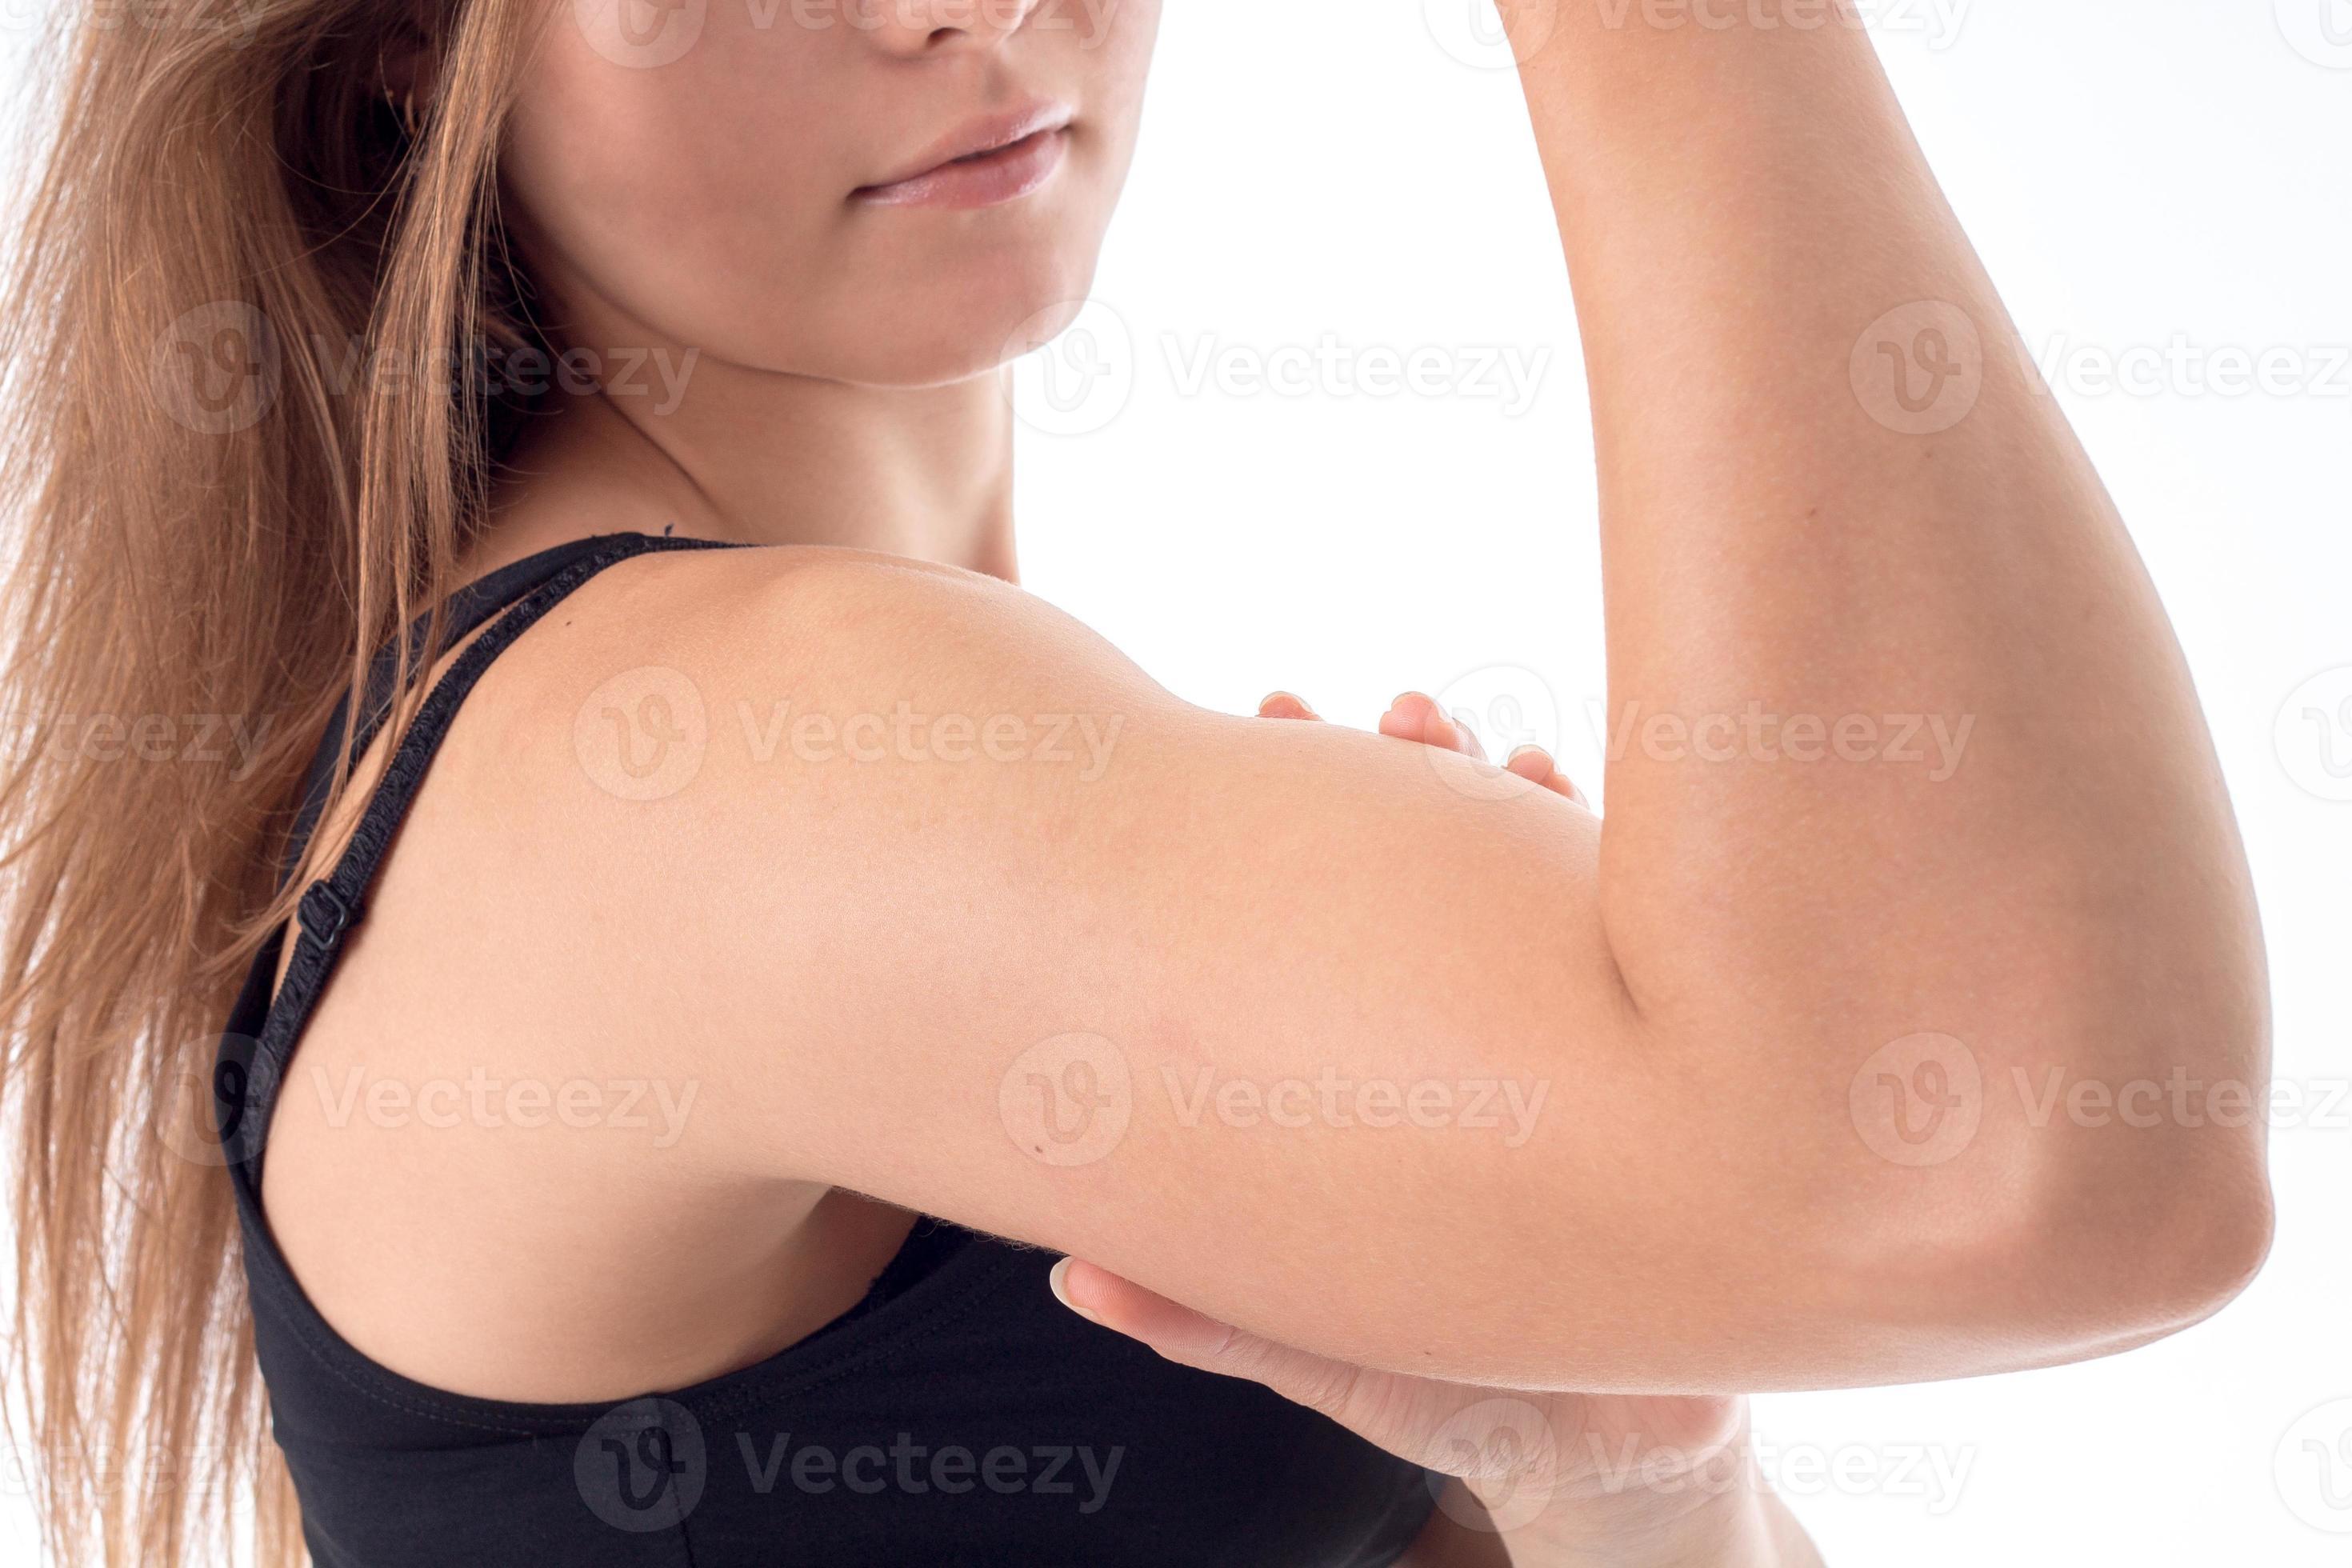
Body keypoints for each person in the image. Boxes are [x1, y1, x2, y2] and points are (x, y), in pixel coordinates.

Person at [0, 2, 2272, 1563]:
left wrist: (1627, 1484)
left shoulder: (759, 735)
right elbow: (2040, 1166)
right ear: (408, 40)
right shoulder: (669, 762)